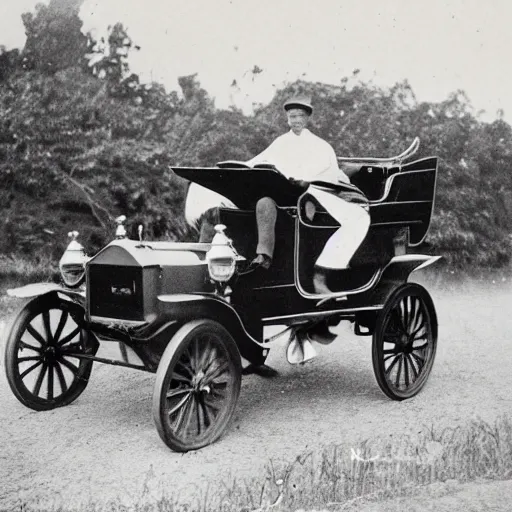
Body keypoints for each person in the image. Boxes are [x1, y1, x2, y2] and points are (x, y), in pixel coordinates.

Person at [246, 96, 371, 295]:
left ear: (307, 119)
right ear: (286, 118)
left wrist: (308, 182)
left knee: (357, 218)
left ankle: (321, 273)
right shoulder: (280, 143)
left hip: (315, 193)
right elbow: (257, 162)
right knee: (264, 203)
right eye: (292, 116)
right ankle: (264, 256)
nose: (295, 120)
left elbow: (329, 174)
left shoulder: (320, 146)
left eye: (300, 116)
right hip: (283, 194)